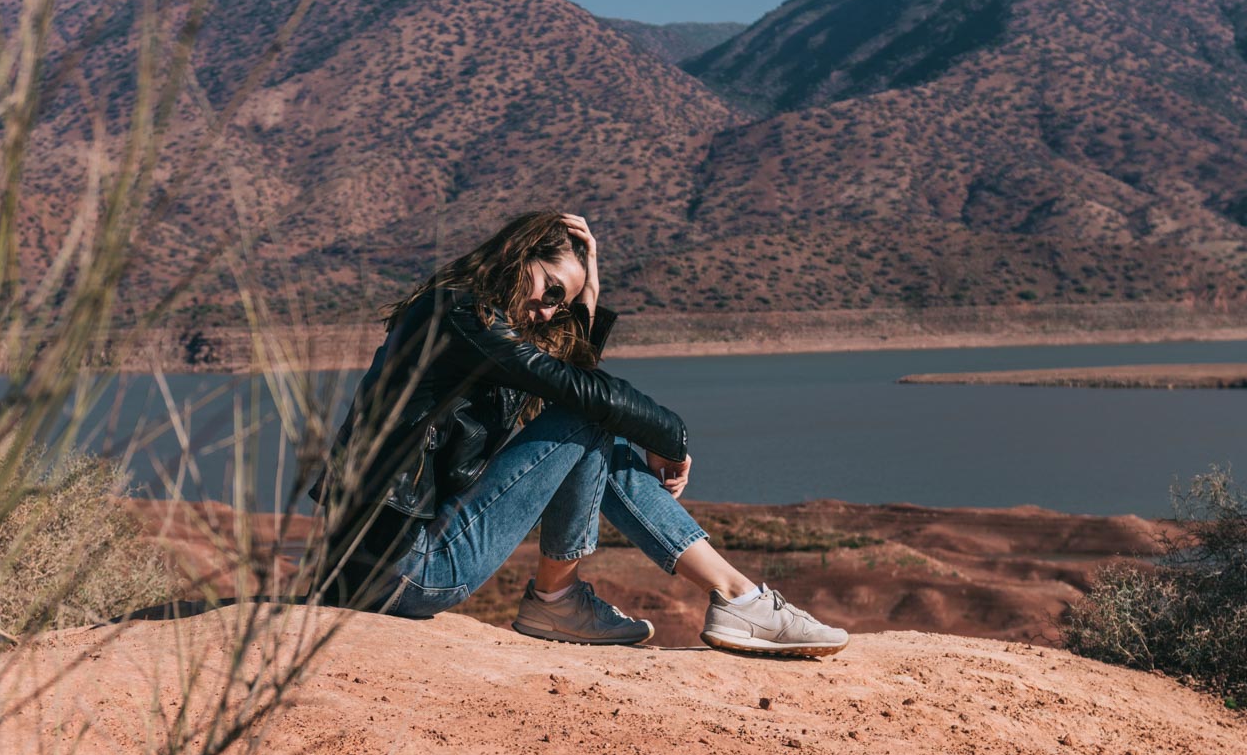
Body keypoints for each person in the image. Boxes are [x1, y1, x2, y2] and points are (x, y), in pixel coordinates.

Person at [312, 210, 847, 657]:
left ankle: (723, 595)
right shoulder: (457, 315)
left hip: (380, 569)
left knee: (595, 429)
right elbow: (584, 395)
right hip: (407, 568)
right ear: (517, 257)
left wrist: (589, 289)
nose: (547, 310)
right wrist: (671, 437)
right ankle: (711, 595)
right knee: (593, 418)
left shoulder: (472, 320)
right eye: (549, 290)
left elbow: (576, 379)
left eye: (559, 305)